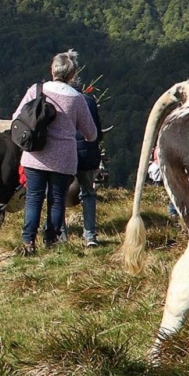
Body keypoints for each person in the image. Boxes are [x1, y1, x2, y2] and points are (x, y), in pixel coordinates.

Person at [12, 50, 98, 255]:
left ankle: (28, 242)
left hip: (35, 156)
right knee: (57, 199)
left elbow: (16, 116)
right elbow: (91, 133)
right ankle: (51, 240)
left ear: (52, 70)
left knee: (33, 198)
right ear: (72, 75)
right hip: (63, 159)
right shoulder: (77, 98)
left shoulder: (36, 90)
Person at [73, 77, 104, 248]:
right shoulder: (89, 101)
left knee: (58, 195)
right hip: (86, 154)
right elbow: (97, 131)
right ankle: (90, 234)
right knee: (88, 193)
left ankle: (60, 235)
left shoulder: (56, 100)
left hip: (63, 156)